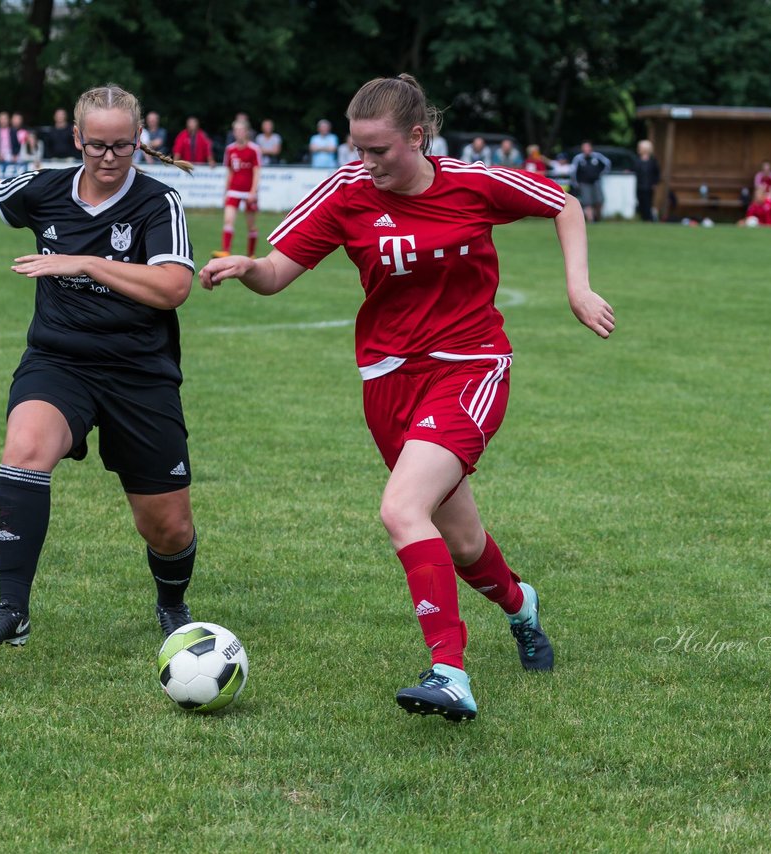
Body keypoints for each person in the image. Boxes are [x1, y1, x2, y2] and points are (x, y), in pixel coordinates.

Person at [199, 74, 615, 722]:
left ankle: (449, 671)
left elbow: (564, 204)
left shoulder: (472, 184)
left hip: (470, 367)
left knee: (400, 509)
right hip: (387, 382)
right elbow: (278, 272)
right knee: (464, 541)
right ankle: (521, 606)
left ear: (417, 137)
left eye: (378, 151)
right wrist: (250, 270)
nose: (364, 164)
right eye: (357, 149)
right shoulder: (345, 193)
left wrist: (578, 288)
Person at [0, 83, 201, 652]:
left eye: (121, 146)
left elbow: (174, 287)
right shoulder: (44, 187)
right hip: (59, 360)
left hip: (139, 372)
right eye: (96, 145)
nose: (107, 158)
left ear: (139, 141)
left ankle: (172, 605)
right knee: (24, 447)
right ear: (76, 138)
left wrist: (88, 263)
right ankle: (11, 608)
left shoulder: (156, 203)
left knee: (167, 527)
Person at [215, 119, 262, 259]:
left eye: (241, 130)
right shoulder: (230, 149)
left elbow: (257, 171)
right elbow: (229, 171)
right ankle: (225, 251)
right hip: (233, 190)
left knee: (251, 225)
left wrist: (254, 191)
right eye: (236, 130)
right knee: (228, 220)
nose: (238, 133)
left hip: (249, 192)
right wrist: (226, 191)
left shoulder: (254, 149)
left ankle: (251, 254)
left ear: (247, 132)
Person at [571, 140, 612, 223]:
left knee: (599, 201)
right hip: (584, 183)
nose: (586, 149)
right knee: (587, 202)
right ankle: (591, 220)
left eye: (588, 147)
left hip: (596, 182)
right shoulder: (578, 158)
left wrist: (602, 174)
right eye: (584, 147)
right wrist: (575, 183)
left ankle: (598, 218)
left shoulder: (598, 156)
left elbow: (607, 163)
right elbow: (573, 172)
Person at [630, 140, 660, 222]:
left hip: (649, 185)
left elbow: (657, 173)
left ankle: (648, 218)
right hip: (639, 185)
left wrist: (655, 183)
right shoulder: (637, 160)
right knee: (640, 202)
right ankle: (643, 217)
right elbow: (633, 169)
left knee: (648, 203)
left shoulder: (652, 160)